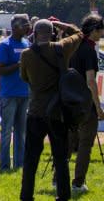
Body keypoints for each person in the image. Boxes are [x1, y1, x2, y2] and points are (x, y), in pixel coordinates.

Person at [19, 18, 84, 201]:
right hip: (57, 112)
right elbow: (79, 33)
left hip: (36, 111)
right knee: (61, 158)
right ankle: (63, 196)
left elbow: (24, 77)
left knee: (31, 159)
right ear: (53, 33)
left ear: (34, 34)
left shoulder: (26, 54)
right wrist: (63, 24)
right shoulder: (60, 48)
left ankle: (26, 196)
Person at [66, 14, 104, 194]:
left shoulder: (72, 46)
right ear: (94, 30)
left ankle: (57, 180)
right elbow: (91, 81)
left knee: (67, 143)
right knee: (85, 145)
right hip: (85, 104)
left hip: (69, 102)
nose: (102, 33)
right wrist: (98, 106)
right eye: (101, 30)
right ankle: (78, 183)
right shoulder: (89, 51)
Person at [0, 14, 31, 171]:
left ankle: (20, 164)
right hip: (9, 94)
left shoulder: (27, 43)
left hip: (25, 93)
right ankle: (4, 165)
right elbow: (1, 70)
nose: (28, 27)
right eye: (25, 24)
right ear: (15, 26)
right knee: (6, 132)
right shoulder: (5, 45)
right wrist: (19, 64)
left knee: (21, 132)